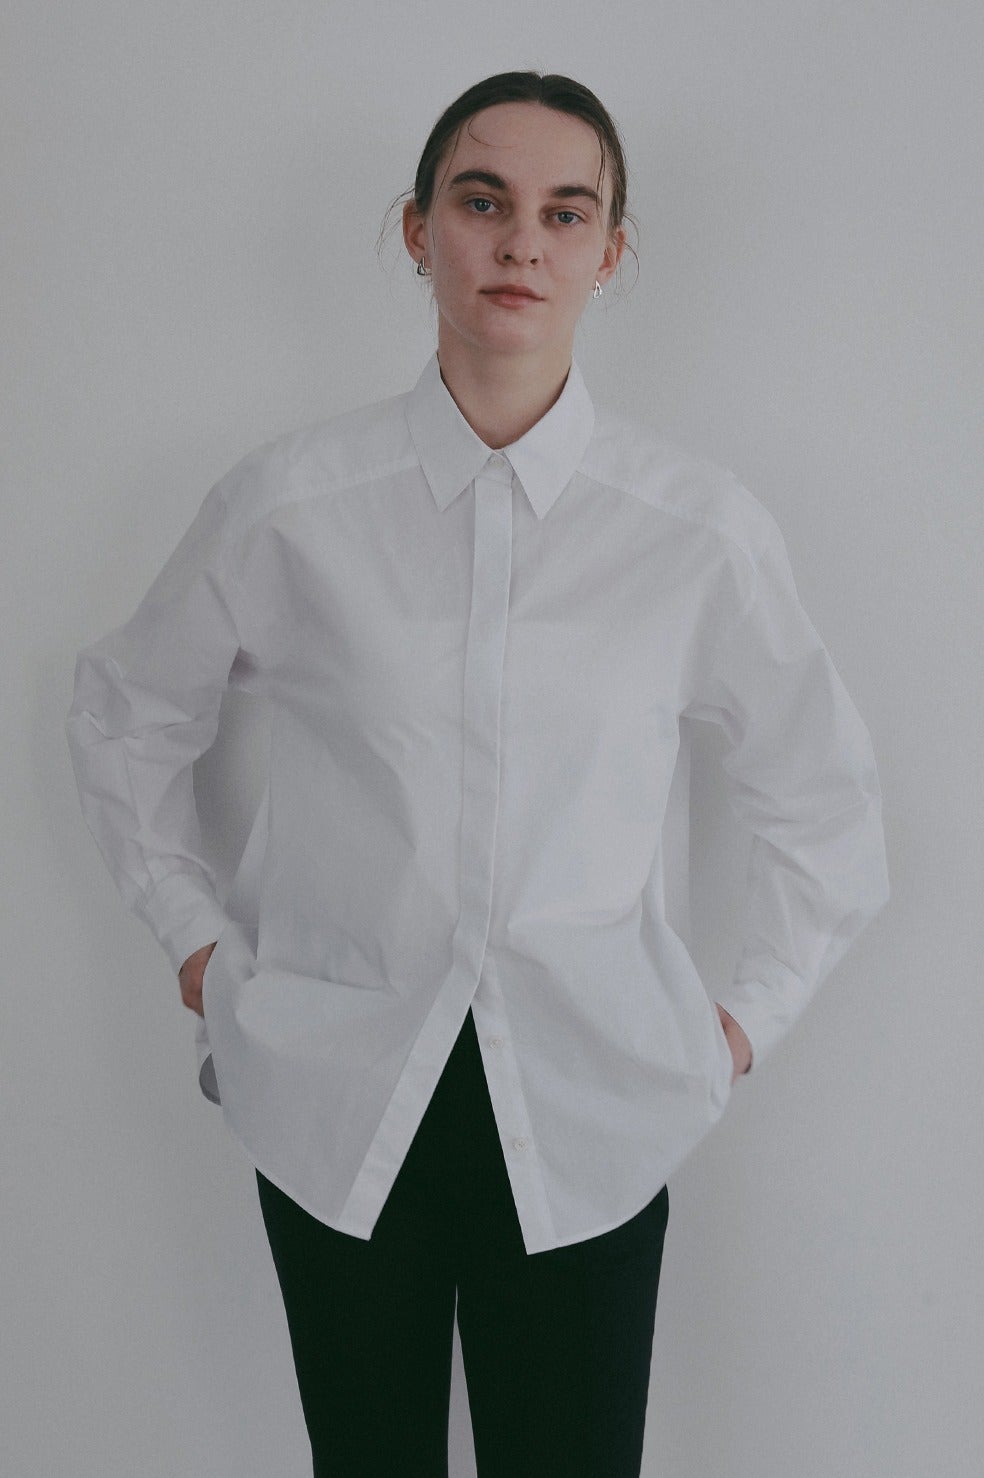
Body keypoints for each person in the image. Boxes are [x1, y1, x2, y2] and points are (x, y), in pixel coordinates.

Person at [65, 70, 890, 1478]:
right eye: (483, 199)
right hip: (337, 1098)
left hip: (590, 1109)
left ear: (611, 252)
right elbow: (125, 712)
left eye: (567, 212)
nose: (521, 242)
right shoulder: (291, 505)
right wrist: (195, 942)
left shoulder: (695, 531)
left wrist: (734, 1026)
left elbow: (829, 810)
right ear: (417, 228)